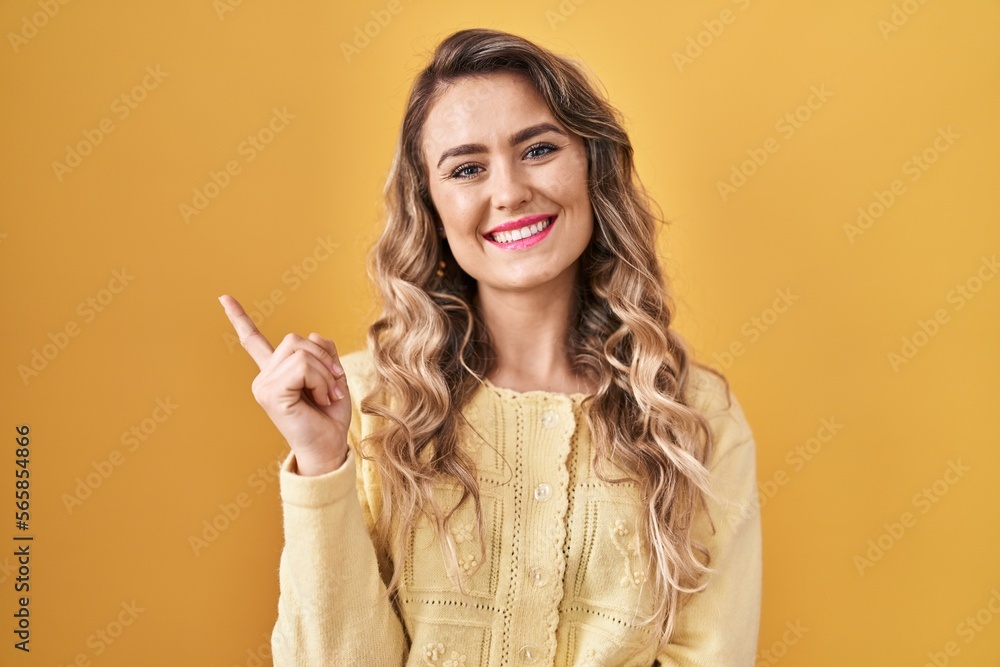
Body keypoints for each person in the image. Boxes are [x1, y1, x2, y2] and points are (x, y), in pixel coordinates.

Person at [220, 28, 761, 667]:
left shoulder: (694, 414)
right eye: (468, 168)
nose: (507, 192)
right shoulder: (365, 402)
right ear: (432, 205)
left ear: (593, 165)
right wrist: (319, 460)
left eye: (537, 149)